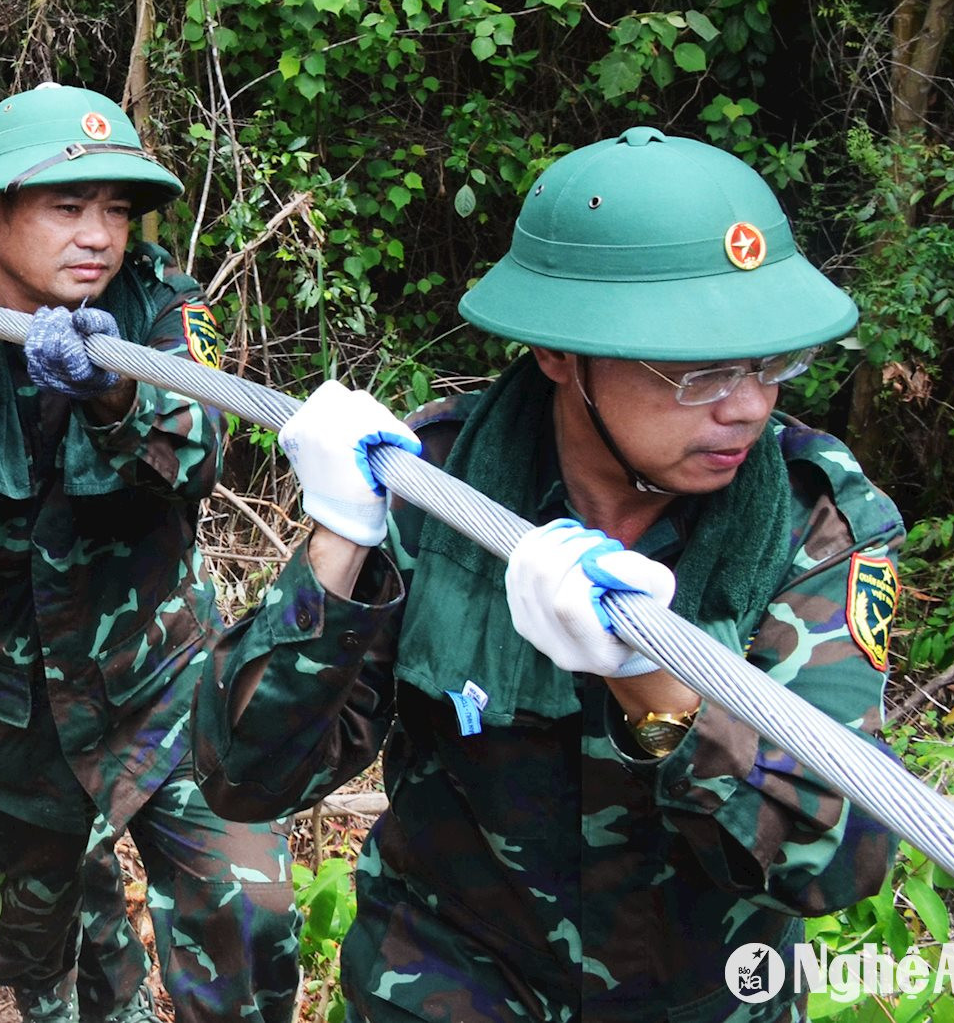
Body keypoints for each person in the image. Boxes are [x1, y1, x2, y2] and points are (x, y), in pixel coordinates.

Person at [190, 126, 903, 1022]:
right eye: (696, 370)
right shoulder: (441, 485)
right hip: (447, 980)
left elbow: (836, 862)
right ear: (561, 355)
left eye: (770, 363)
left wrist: (655, 683)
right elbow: (245, 774)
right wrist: (337, 542)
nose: (748, 405)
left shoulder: (814, 520)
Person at [0, 84, 298, 1023]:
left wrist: (113, 394)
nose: (100, 234)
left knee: (249, 926)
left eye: (117, 209)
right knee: (50, 964)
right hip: (1, 726)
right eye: (67, 206)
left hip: (162, 695)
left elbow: (205, 449)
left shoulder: (163, 312)